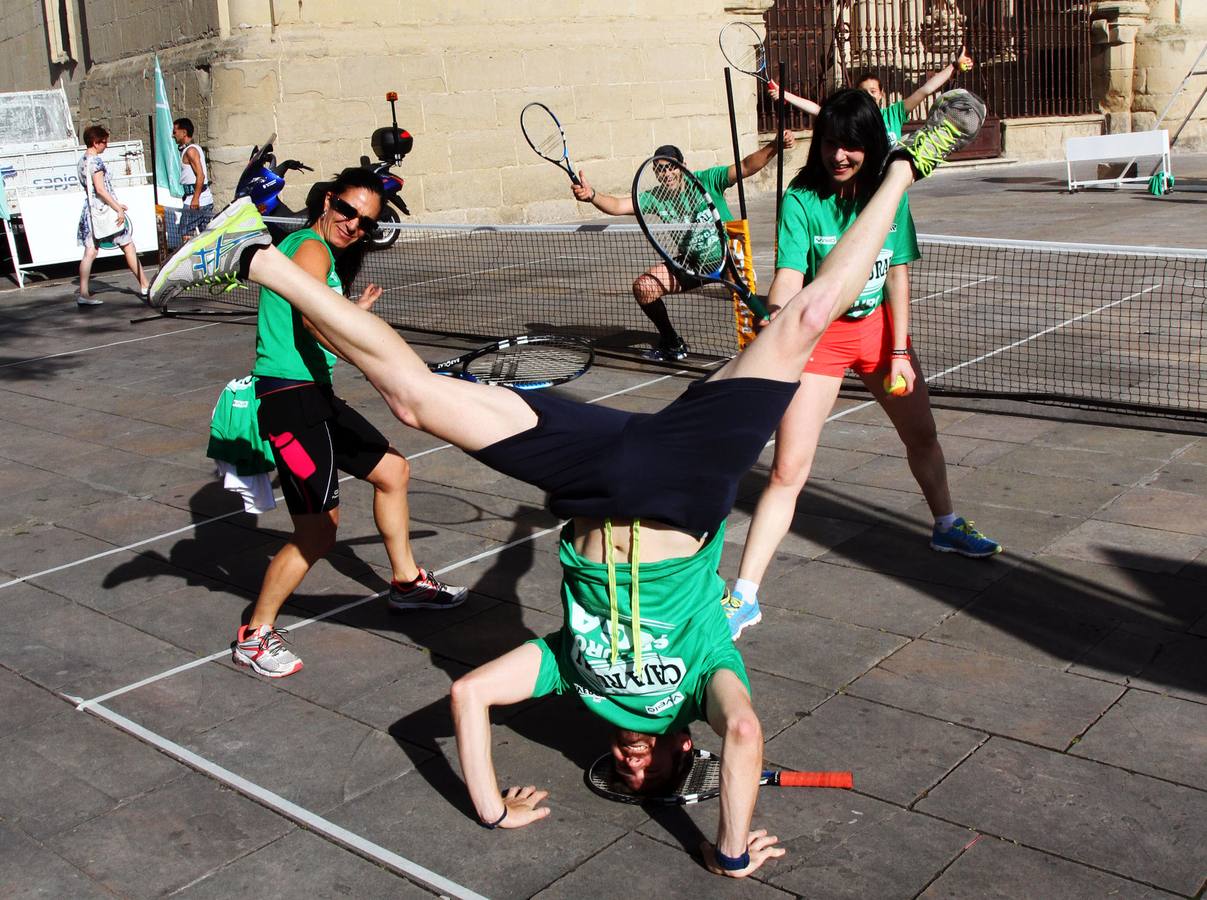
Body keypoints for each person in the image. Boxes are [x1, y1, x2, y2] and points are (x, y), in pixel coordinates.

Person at [149, 89, 984, 874]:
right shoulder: (703, 681)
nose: (629, 760)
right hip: (687, 478)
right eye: (647, 767)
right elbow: (747, 734)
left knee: (412, 403)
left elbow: (471, 696)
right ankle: (911, 161)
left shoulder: (574, 675)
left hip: (594, 480)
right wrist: (727, 851)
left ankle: (249, 253)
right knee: (807, 318)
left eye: (621, 773)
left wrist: (490, 808)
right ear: (681, 747)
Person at [726, 88, 1000, 643]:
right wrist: (780, 321)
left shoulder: (884, 197)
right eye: (830, 143)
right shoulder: (802, 198)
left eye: (851, 145)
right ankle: (745, 594)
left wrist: (899, 348)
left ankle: (946, 525)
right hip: (824, 341)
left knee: (922, 435)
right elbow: (788, 274)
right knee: (786, 471)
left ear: (871, 148)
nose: (839, 155)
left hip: (878, 333)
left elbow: (897, 272)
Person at [232, 166, 467, 678]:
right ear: (328, 201)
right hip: (290, 403)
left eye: (365, 223)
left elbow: (320, 309)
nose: (353, 225)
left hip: (315, 396)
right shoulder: (310, 247)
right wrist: (379, 366)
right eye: (347, 211)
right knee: (318, 533)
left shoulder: (318, 254)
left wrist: (351, 309)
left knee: (392, 471)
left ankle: (405, 583)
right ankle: (256, 633)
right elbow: (314, 321)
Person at [571, 134, 795, 361]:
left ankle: (778, 347)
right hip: (692, 263)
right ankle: (671, 341)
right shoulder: (656, 197)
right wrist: (592, 196)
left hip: (728, 257)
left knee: (751, 309)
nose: (667, 173)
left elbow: (746, 166)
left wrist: (774, 146)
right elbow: (619, 205)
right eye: (660, 169)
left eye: (671, 167)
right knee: (644, 287)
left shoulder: (707, 180)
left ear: (683, 166)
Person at [770, 48, 974, 144]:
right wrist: (784, 94)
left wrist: (953, 66)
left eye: (873, 91)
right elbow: (818, 110)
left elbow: (925, 90)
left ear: (881, 95)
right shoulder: (853, 118)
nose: (869, 95)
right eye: (863, 92)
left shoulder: (893, 114)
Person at [76, 124, 150, 306]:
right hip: (103, 211)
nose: (106, 145)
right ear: (95, 142)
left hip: (90, 210)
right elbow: (101, 189)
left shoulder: (82, 161)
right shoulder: (96, 162)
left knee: (90, 252)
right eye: (104, 142)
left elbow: (93, 190)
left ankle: (83, 292)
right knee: (128, 245)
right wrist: (117, 207)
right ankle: (145, 284)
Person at [172, 117, 214, 242]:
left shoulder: (190, 151)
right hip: (199, 199)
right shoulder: (191, 149)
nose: (173, 135)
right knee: (205, 237)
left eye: (175, 132)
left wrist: (195, 199)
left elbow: (200, 176)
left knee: (186, 235)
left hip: (196, 201)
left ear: (184, 132)